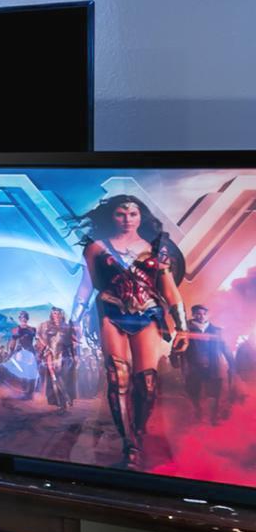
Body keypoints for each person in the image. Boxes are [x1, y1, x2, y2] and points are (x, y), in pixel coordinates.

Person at [75, 194, 188, 466]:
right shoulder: (96, 248)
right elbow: (86, 286)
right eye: (120, 214)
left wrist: (182, 327)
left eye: (132, 214)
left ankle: (136, 430)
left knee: (147, 385)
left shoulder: (156, 247)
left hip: (147, 314)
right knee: (118, 379)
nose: (127, 219)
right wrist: (74, 321)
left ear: (141, 216)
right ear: (112, 216)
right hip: (111, 314)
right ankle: (130, 445)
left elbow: (169, 289)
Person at [177, 304, 231, 424]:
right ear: (193, 314)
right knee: (194, 392)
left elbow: (225, 349)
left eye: (203, 313)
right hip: (193, 366)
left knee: (215, 393)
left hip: (213, 366)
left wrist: (231, 364)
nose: (201, 316)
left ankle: (213, 417)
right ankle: (198, 414)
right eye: (198, 313)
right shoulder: (186, 330)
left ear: (207, 314)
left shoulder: (216, 331)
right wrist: (177, 362)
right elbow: (177, 348)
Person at [36, 306, 77, 410]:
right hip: (51, 355)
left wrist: (75, 355)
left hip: (65, 356)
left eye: (58, 313)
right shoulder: (46, 326)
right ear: (52, 314)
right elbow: (41, 338)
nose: (57, 315)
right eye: (54, 313)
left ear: (62, 314)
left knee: (66, 378)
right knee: (54, 378)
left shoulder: (67, 327)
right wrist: (45, 351)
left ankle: (67, 399)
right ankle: (61, 403)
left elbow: (71, 343)